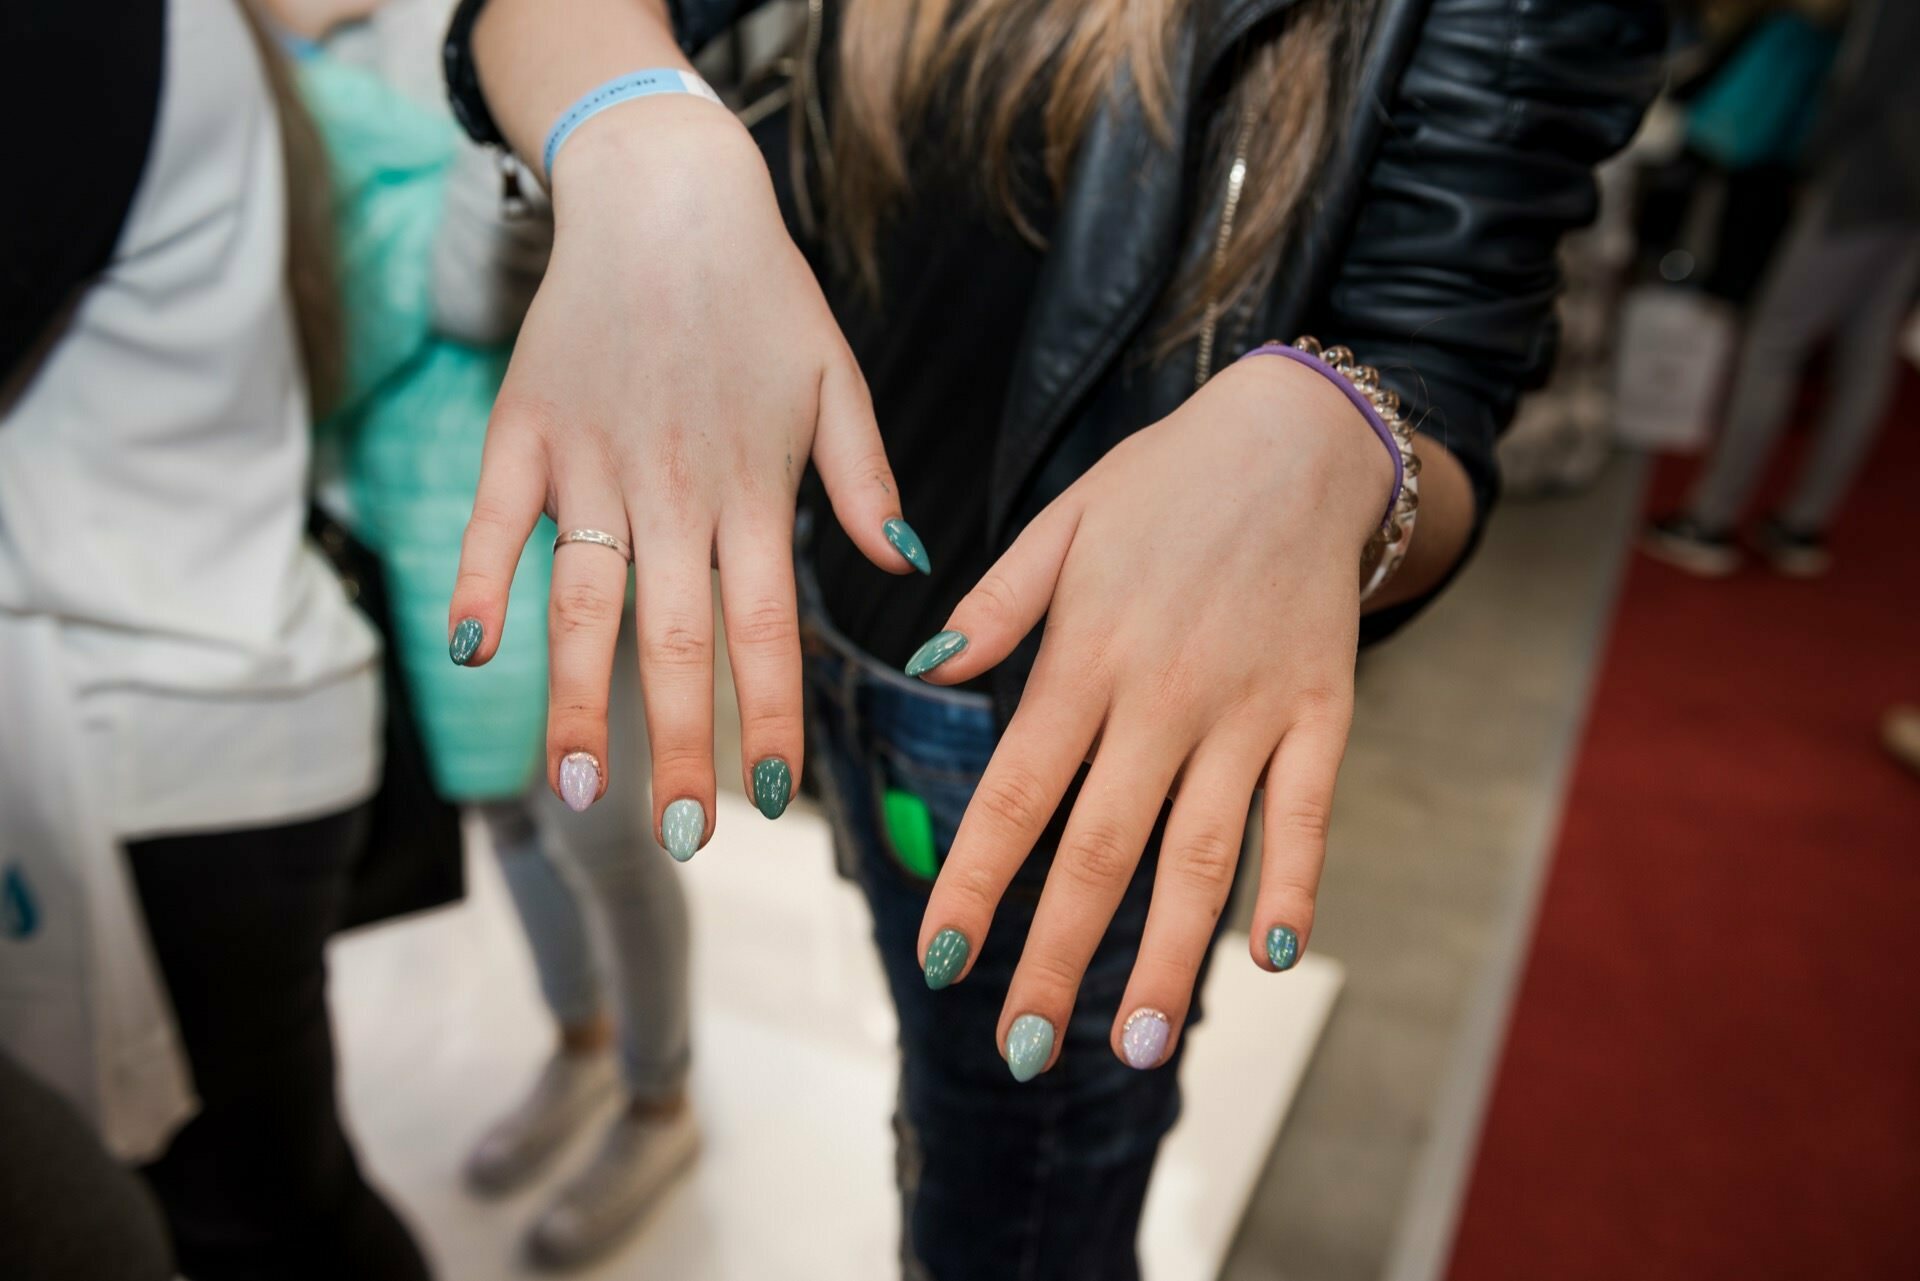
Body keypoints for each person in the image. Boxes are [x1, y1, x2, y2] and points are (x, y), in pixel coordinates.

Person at [441, 0, 1664, 1275]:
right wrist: (640, 137)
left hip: (1081, 740)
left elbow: (1449, 368)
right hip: (834, 638)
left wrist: (1346, 439)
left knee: (1018, 1221)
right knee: (945, 1094)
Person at [261, 0, 702, 1263]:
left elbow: (478, 280)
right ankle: (583, 1042)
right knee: (508, 816)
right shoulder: (285, 57)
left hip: (561, 490)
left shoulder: (452, 27)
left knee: (603, 826)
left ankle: (660, 1094)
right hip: (403, 512)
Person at [0, 1, 426, 1276]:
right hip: (207, 697)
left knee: (249, 1215)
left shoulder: (79, 33)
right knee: (265, 1197)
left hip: (172, 725)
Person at [1645, 0, 1920, 578]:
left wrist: (1811, 160)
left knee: (1774, 340)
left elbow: (1865, 79)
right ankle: (1803, 522)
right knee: (1868, 348)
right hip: (1905, 196)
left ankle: (1711, 518)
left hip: (1863, 180)